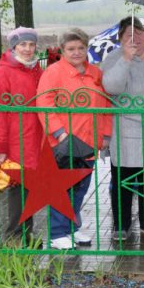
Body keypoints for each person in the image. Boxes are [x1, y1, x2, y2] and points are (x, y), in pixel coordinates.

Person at [36, 28, 112, 250]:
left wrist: (106, 133)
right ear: (62, 50)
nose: (77, 52)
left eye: (81, 48)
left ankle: (72, 227)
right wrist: (59, 133)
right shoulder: (53, 73)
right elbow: (44, 104)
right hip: (65, 142)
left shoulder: (95, 73)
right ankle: (58, 232)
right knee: (62, 187)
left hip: (89, 141)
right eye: (71, 49)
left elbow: (106, 105)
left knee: (81, 186)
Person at [101, 16, 144, 242]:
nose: (135, 38)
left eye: (138, 33)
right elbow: (111, 87)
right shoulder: (113, 58)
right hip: (124, 127)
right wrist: (126, 60)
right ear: (120, 39)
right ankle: (122, 223)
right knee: (123, 178)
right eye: (128, 35)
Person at [0, 27, 43, 244]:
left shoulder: (37, 71)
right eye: (23, 45)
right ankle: (15, 238)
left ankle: (26, 234)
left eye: (31, 44)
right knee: (17, 190)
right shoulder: (2, 74)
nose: (28, 49)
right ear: (13, 47)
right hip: (15, 142)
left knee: (30, 190)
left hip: (35, 140)